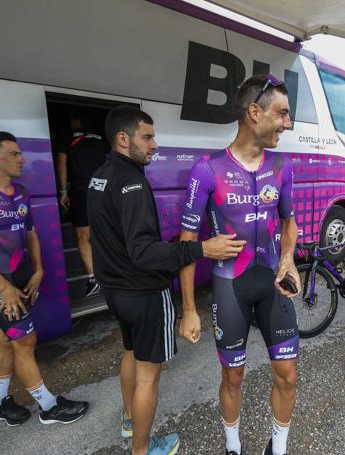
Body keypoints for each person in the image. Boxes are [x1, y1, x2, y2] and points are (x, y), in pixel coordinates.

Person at [87, 106, 246, 455]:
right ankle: (142, 450)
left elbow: (98, 237)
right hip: (142, 292)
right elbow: (143, 252)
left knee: (131, 353)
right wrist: (200, 249)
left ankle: (130, 420)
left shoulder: (99, 175)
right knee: (148, 374)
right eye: (148, 137)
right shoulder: (132, 182)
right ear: (123, 138)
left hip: (115, 291)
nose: (155, 145)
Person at [178, 74, 301, 455]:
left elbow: (289, 221)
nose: (288, 123)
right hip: (229, 286)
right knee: (232, 377)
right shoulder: (207, 169)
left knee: (288, 375)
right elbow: (185, 244)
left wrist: (287, 257)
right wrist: (188, 310)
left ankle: (277, 449)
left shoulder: (282, 166)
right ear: (254, 112)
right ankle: (233, 447)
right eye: (281, 113)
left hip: (272, 283)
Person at [0, 131, 89, 426]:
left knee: (8, 339)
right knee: (25, 341)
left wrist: (39, 270)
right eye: (14, 154)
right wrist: (5, 288)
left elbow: (30, 234)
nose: (22, 159)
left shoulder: (20, 192)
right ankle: (48, 407)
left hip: (23, 279)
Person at [56, 112, 109, 297]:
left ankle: (94, 279)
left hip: (82, 190)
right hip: (104, 190)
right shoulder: (103, 140)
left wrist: (63, 192)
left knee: (83, 235)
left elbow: (61, 164)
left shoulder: (67, 138)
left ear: (77, 120)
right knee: (104, 232)